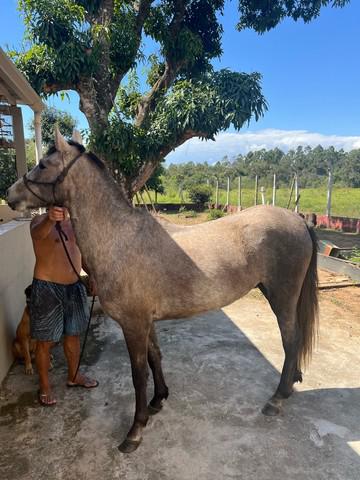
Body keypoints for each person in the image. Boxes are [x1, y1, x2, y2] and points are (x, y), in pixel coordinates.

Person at [30, 206, 98, 406]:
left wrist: (92, 274)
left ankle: (74, 375)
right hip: (47, 288)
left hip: (75, 286)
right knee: (44, 341)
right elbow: (38, 234)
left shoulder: (76, 224)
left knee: (73, 334)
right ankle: (44, 385)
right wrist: (50, 219)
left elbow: (80, 253)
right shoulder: (38, 221)